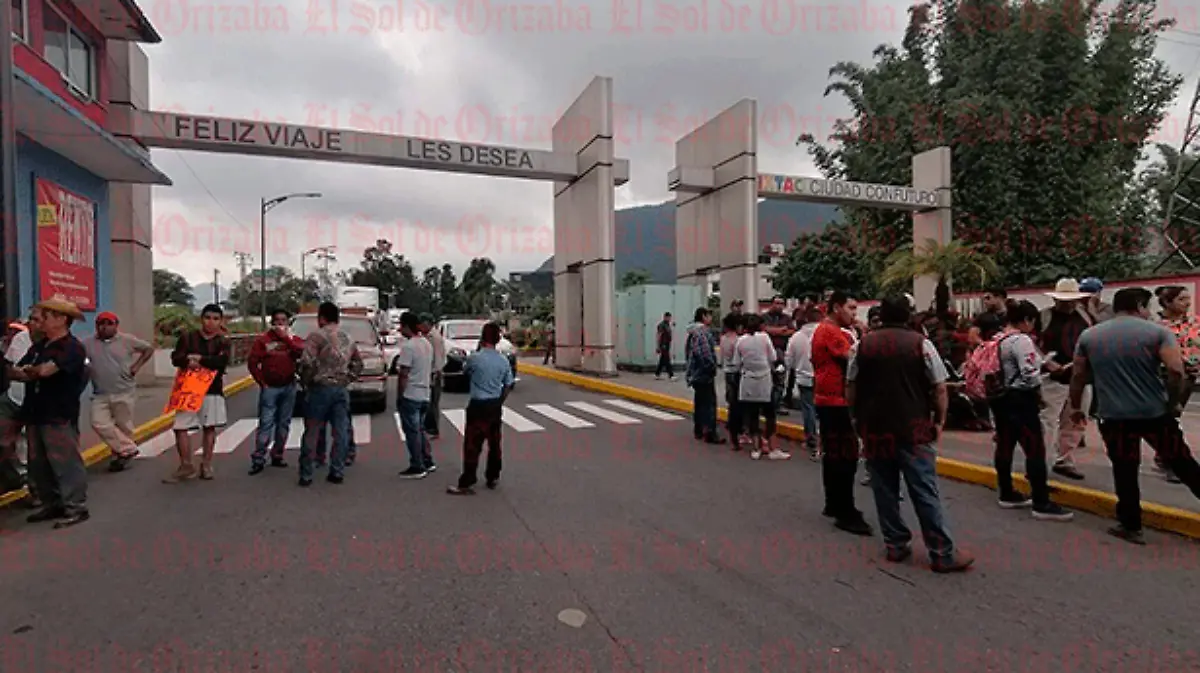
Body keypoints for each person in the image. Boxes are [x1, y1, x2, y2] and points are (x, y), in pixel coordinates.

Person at [848, 295, 974, 572]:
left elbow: (852, 385)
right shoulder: (921, 344)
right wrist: (939, 421)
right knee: (924, 489)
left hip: (875, 427)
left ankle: (895, 544)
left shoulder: (862, 345)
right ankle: (942, 552)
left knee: (884, 488)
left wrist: (856, 418)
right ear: (909, 315)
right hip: (913, 427)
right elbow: (940, 387)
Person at [1070, 287, 1200, 545]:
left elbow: (1078, 376)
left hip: (1113, 415)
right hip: (1154, 412)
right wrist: (1173, 403)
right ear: (1139, 306)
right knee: (1182, 463)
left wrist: (1076, 407)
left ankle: (1130, 525)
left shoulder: (1089, 336)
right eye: (1147, 307)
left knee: (1125, 469)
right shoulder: (1157, 332)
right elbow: (1176, 371)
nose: (1149, 312)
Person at [987, 301, 1074, 520]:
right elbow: (1028, 374)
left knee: (1005, 444)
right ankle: (1041, 502)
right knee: (1034, 449)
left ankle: (1006, 491)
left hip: (1000, 398)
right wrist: (1042, 381)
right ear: (1027, 320)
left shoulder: (1000, 339)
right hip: (1020, 399)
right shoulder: (1022, 340)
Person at [11, 300, 90, 528]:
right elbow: (21, 370)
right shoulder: (40, 346)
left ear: (62, 320)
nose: (41, 320)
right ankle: (52, 503)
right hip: (36, 412)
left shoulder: (72, 347)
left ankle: (76, 506)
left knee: (65, 462)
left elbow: (45, 371)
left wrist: (31, 372)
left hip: (59, 413)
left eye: (47, 316)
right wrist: (30, 372)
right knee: (39, 464)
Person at [811, 291, 872, 536]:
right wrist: (864, 335)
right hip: (835, 401)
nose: (854, 314)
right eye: (851, 308)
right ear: (837, 308)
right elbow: (855, 359)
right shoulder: (830, 332)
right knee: (845, 457)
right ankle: (845, 511)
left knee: (834, 455)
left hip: (829, 399)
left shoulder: (828, 331)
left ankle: (833, 503)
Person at [297, 302, 362, 487]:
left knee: (312, 430)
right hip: (340, 389)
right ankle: (337, 471)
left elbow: (306, 362)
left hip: (320, 388)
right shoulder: (347, 338)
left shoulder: (316, 336)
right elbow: (358, 364)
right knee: (340, 431)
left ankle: (307, 474)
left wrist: (307, 382)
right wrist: (347, 379)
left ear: (322, 318)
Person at [165, 303, 230, 483]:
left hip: (213, 390)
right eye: (208, 318)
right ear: (201, 319)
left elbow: (221, 362)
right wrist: (187, 360)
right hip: (188, 390)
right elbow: (176, 358)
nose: (211, 322)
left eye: (215, 319)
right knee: (180, 427)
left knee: (209, 428)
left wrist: (200, 359)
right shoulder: (188, 337)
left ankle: (206, 464)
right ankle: (186, 465)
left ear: (220, 321)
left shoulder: (223, 341)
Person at [82, 311, 154, 473]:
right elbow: (79, 358)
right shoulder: (87, 343)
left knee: (124, 426)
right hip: (100, 392)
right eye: (101, 324)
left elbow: (148, 349)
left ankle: (121, 456)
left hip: (124, 390)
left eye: (109, 323)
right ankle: (128, 448)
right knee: (98, 422)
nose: (105, 327)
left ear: (116, 325)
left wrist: (136, 367)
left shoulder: (127, 340)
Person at [448, 322, 514, 495]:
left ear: (482, 338)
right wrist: (500, 401)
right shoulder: (503, 360)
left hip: (478, 405)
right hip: (494, 405)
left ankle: (467, 481)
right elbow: (508, 384)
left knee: (472, 445)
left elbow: (466, 372)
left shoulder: (474, 358)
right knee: (495, 444)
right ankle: (493, 476)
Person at [247, 309, 304, 475]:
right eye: (277, 321)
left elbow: (301, 352)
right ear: (272, 323)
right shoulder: (263, 341)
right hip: (270, 388)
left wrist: (286, 338)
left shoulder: (292, 339)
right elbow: (252, 363)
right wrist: (261, 382)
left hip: (288, 386)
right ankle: (259, 458)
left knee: (284, 423)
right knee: (266, 423)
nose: (280, 324)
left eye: (283, 321)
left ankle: (278, 454)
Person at [1152, 285, 1198, 483]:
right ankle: (1170, 460)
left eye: (1188, 299)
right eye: (1181, 299)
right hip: (1165, 376)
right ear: (1167, 303)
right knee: (1168, 417)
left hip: (1188, 377)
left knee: (1174, 416)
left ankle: (1164, 456)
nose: (1187, 303)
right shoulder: (1157, 326)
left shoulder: (1194, 323)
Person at [732, 314, 789, 460]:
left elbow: (737, 364)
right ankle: (772, 448)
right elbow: (773, 357)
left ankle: (756, 448)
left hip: (748, 381)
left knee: (753, 416)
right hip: (764, 380)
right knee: (770, 415)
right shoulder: (764, 338)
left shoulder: (740, 341)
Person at [396, 311, 436, 479]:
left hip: (411, 393)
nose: (399, 329)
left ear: (407, 326)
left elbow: (404, 374)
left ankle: (417, 465)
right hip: (425, 392)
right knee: (420, 429)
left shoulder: (408, 346)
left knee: (412, 432)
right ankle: (427, 460)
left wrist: (400, 395)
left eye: (401, 326)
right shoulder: (426, 344)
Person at [0, 320, 33, 500]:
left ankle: (33, 489)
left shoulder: (60, 345)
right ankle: (14, 478)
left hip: (36, 404)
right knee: (5, 441)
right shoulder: (20, 340)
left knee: (32, 445)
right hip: (13, 398)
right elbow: (9, 368)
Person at [785, 307, 822, 460]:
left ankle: (810, 438)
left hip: (804, 377)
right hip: (822, 377)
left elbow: (789, 361)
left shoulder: (796, 337)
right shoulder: (824, 333)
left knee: (808, 409)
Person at [686, 307, 725, 444]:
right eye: (709, 316)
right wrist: (711, 367)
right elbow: (704, 354)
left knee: (700, 402)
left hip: (695, 373)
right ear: (703, 316)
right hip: (703, 373)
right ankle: (710, 432)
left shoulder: (693, 332)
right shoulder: (702, 332)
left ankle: (699, 429)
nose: (711, 319)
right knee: (709, 403)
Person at [762, 295, 795, 416]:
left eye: (781, 303)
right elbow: (763, 330)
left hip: (781, 353)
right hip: (766, 354)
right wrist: (780, 330)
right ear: (772, 304)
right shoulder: (764, 317)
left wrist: (773, 330)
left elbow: (791, 331)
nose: (779, 305)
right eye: (776, 303)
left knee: (780, 380)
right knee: (767, 380)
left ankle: (777, 404)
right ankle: (766, 406)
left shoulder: (787, 318)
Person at [718, 313, 745, 447]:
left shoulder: (723, 339)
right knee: (739, 403)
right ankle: (738, 429)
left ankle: (732, 426)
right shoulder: (738, 340)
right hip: (737, 371)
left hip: (727, 371)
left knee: (731, 400)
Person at [420, 313, 447, 439]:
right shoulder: (426, 336)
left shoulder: (434, 337)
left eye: (422, 323)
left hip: (434, 374)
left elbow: (438, 358)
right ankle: (428, 428)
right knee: (428, 402)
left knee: (432, 404)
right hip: (428, 373)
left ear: (428, 323)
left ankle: (433, 430)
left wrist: (435, 374)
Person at [655, 312, 675, 380]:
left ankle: (657, 373)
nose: (669, 319)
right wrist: (658, 346)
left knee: (662, 360)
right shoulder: (662, 325)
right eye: (668, 317)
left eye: (670, 317)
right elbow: (659, 335)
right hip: (663, 344)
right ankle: (671, 375)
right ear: (665, 317)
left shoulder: (667, 325)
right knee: (667, 359)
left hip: (667, 344)